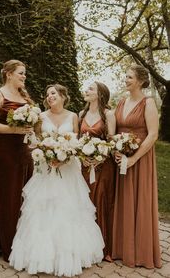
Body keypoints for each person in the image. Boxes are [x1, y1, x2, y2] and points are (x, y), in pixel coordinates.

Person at [9, 84, 104, 277]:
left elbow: (76, 143)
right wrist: (46, 154)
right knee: (43, 209)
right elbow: (35, 141)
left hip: (68, 170)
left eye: (53, 93)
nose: (49, 96)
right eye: (47, 94)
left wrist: (65, 157)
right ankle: (42, 255)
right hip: (46, 170)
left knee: (69, 208)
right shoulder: (41, 117)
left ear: (62, 95)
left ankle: (71, 254)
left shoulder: (73, 116)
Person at [0, 59, 34, 261]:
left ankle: (25, 243)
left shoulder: (24, 96)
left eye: (24, 74)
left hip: (24, 151)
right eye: (21, 73)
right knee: (8, 197)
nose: (24, 77)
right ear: (8, 74)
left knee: (26, 197)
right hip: (5, 152)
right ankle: (8, 246)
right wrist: (12, 129)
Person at [112, 64, 162, 268]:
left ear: (140, 80)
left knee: (139, 200)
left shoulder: (148, 102)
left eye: (129, 77)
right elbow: (115, 129)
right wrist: (116, 148)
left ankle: (140, 252)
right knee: (124, 200)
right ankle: (123, 249)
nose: (125, 79)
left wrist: (134, 158)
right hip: (121, 157)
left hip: (139, 159)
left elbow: (153, 135)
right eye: (125, 76)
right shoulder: (122, 102)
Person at [79, 81, 116, 262]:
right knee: (85, 201)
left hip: (103, 166)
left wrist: (99, 157)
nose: (86, 91)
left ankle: (105, 247)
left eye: (90, 89)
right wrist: (83, 157)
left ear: (100, 94)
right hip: (85, 166)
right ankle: (86, 246)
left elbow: (111, 141)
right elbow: (78, 140)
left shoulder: (108, 114)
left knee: (101, 199)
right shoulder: (81, 114)